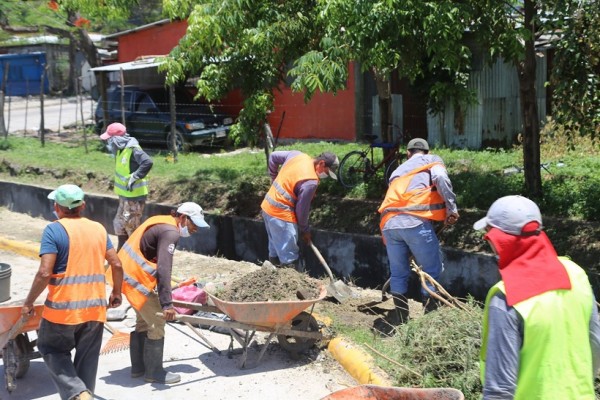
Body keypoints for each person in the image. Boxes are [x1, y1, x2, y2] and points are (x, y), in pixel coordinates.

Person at [474, 195, 600, 399]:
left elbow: (500, 389)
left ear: (498, 240)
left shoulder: (507, 297)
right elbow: (595, 343)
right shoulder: (576, 274)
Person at [20, 184, 123, 400]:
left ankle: (78, 393)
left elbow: (44, 272)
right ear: (83, 205)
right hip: (95, 310)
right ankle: (85, 394)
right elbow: (117, 264)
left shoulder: (54, 230)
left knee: (50, 348)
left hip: (62, 312)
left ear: (56, 206)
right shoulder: (98, 229)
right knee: (87, 359)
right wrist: (116, 292)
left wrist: (29, 302)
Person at [107, 202, 209, 384]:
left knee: (143, 321)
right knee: (157, 321)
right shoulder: (171, 233)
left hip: (127, 277)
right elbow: (164, 269)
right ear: (184, 218)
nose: (195, 230)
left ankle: (138, 368)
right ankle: (154, 372)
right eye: (194, 224)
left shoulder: (160, 221)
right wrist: (167, 304)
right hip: (135, 281)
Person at [375, 138, 459, 336]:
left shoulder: (397, 170)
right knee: (431, 271)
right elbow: (441, 179)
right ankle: (429, 324)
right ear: (427, 152)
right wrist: (451, 209)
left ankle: (401, 319)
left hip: (389, 224)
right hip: (414, 223)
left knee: (398, 273)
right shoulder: (431, 161)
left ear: (407, 153)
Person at [260, 150, 339, 270]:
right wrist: (305, 230)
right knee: (289, 258)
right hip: (282, 216)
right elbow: (301, 211)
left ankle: (272, 283)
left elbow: (273, 157)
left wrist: (273, 178)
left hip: (267, 208)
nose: (326, 176)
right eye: (327, 172)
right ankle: (293, 287)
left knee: (275, 250)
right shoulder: (310, 182)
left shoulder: (298, 156)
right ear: (322, 163)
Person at [100, 122, 153, 251]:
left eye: (110, 139)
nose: (108, 142)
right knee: (119, 224)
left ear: (116, 139)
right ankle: (121, 252)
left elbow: (148, 162)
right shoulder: (120, 150)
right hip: (125, 197)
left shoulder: (133, 150)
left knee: (131, 227)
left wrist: (135, 176)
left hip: (134, 198)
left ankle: (134, 257)